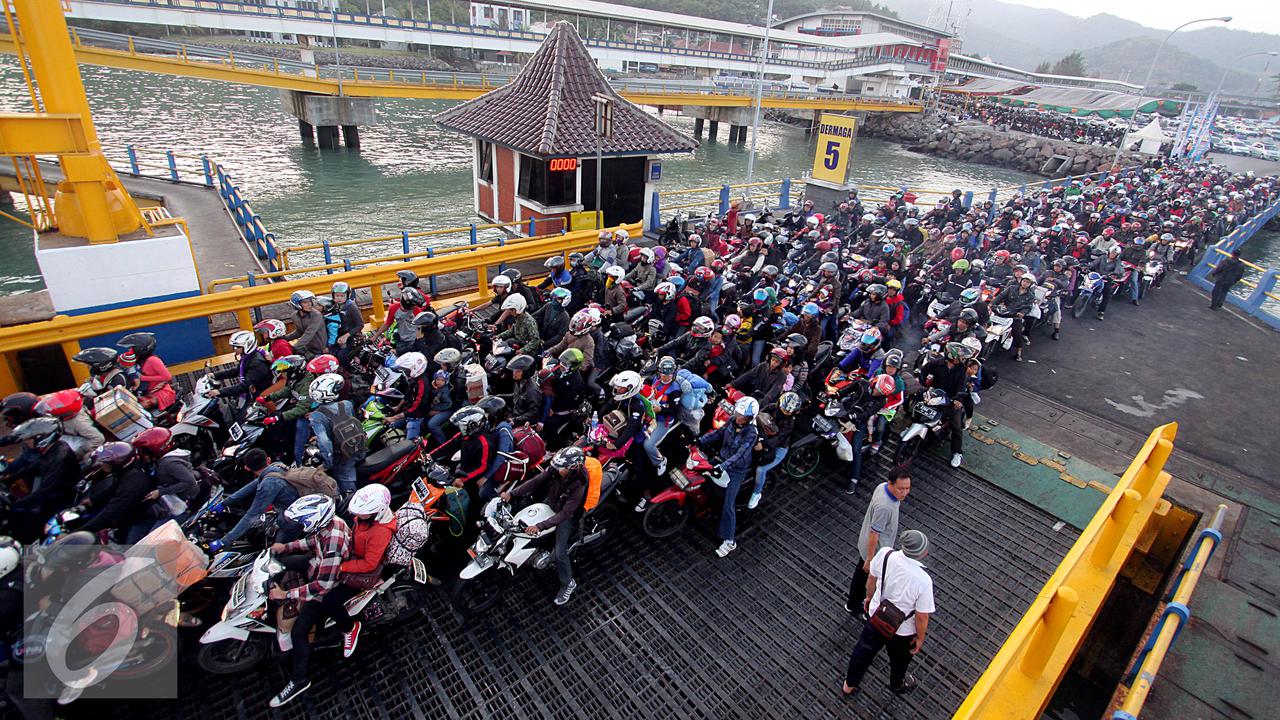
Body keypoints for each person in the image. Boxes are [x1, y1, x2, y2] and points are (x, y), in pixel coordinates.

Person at [267, 494, 351, 708]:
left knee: (298, 633)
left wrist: (286, 595)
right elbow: (312, 541)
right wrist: (285, 547)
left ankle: (299, 680)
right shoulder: (331, 524)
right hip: (316, 564)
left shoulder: (334, 543)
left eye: (304, 521)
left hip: (327, 587)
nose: (302, 525)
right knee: (284, 563)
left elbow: (323, 585)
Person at [842, 530, 933, 698]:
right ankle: (897, 683)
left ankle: (849, 684)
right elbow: (922, 616)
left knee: (863, 651)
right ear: (921, 553)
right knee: (900, 660)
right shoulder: (924, 581)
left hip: (877, 616)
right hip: (902, 631)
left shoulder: (885, 554)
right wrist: (920, 638)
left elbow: (871, 579)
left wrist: (869, 597)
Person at [501, 446, 591, 606]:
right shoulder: (557, 469)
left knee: (559, 552)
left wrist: (540, 526)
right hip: (551, 502)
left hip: (566, 515)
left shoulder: (579, 484)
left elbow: (565, 514)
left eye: (561, 468)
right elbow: (536, 481)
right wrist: (512, 493)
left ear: (573, 468)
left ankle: (568, 583)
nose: (557, 469)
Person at [697, 395, 759, 558]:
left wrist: (723, 467)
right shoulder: (732, 420)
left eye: (742, 416)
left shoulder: (752, 433)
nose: (738, 418)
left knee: (728, 505)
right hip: (721, 459)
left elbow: (741, 454)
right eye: (738, 414)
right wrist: (700, 440)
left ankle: (729, 541)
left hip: (736, 470)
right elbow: (718, 433)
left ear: (750, 417)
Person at [845, 467, 910, 619]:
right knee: (871, 580)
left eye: (908, 488)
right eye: (901, 488)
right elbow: (874, 533)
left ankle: (852, 604)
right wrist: (870, 559)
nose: (905, 492)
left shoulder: (882, 487)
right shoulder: (885, 507)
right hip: (876, 552)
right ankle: (866, 610)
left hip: (868, 546)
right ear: (891, 484)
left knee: (860, 575)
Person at [5, 417, 81, 543]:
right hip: (53, 493)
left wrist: (15, 505)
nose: (26, 443)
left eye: (29, 439)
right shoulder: (51, 450)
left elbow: (45, 491)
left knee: (27, 520)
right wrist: (11, 478)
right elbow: (37, 466)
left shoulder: (59, 457)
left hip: (62, 499)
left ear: (42, 438)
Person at [209, 448, 296, 550]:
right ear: (268, 460)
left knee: (276, 551)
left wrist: (225, 541)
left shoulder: (268, 485)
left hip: (292, 519)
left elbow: (252, 515)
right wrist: (224, 503)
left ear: (247, 468)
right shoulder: (276, 467)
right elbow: (250, 487)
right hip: (295, 505)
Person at [129, 427, 199, 541]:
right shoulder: (160, 461)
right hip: (172, 502)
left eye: (144, 452)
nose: (142, 456)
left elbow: (189, 481)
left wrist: (160, 492)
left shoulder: (169, 463)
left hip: (184, 505)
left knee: (156, 538)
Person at [78, 442, 151, 539]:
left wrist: (78, 533)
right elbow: (115, 487)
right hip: (129, 515)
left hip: (140, 520)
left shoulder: (133, 482)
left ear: (116, 463)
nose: (101, 465)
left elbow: (111, 512)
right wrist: (93, 500)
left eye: (104, 463)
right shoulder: (127, 470)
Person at [306, 373, 362, 494]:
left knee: (348, 492)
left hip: (341, 457)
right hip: (357, 449)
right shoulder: (347, 404)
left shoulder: (316, 416)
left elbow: (325, 443)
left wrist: (326, 464)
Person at [750, 392, 799, 509]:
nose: (785, 413)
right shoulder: (771, 407)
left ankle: (756, 494)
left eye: (788, 412)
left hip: (778, 448)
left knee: (761, 470)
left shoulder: (789, 423)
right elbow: (757, 414)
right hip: (762, 436)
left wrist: (764, 444)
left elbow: (779, 438)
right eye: (783, 409)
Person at [210, 330, 273, 405]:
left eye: (237, 346)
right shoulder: (248, 357)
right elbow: (237, 370)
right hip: (253, 392)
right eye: (233, 346)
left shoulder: (256, 363)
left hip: (258, 395)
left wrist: (220, 392)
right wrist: (215, 375)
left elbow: (245, 386)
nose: (234, 348)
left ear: (247, 346)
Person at [116, 332, 176, 410]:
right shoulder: (138, 360)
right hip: (144, 392)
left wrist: (143, 378)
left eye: (132, 347)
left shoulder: (153, 360)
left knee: (137, 409)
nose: (130, 350)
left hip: (159, 393)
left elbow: (167, 376)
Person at [284, 290, 327, 358]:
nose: (309, 304)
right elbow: (299, 332)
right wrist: (284, 338)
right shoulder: (294, 316)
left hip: (319, 351)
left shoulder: (316, 315)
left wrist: (294, 347)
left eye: (310, 301)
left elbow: (309, 334)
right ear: (297, 304)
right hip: (307, 349)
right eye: (305, 302)